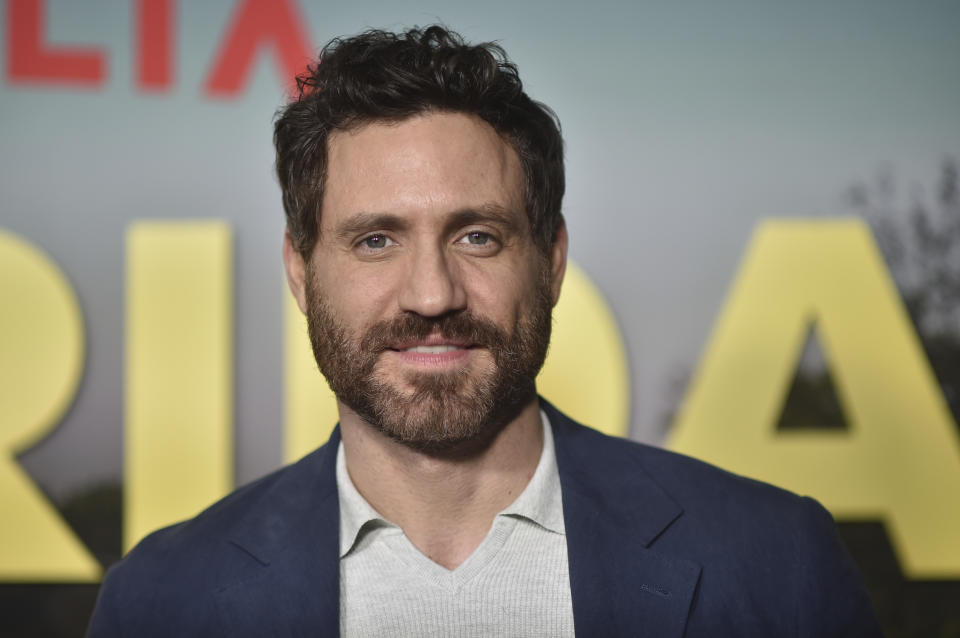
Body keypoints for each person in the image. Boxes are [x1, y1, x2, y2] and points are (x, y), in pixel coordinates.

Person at [88, 25, 881, 637]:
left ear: (552, 260)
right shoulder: (160, 602)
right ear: (300, 271)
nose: (432, 294)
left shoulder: (776, 564)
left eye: (478, 236)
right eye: (376, 239)